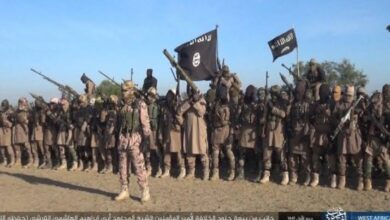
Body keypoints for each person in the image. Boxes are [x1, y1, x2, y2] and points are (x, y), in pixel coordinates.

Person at [115, 80, 151, 203]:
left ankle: (144, 190)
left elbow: (145, 124)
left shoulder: (140, 104)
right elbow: (118, 123)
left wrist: (146, 140)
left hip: (135, 139)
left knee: (139, 167)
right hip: (123, 139)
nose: (122, 92)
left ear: (131, 90)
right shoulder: (121, 105)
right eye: (122, 90)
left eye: (124, 90)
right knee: (122, 166)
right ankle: (124, 189)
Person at [333, 86, 364, 190]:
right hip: (342, 133)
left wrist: (356, 111)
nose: (347, 97)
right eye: (346, 95)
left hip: (354, 134)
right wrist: (340, 120)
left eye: (350, 95)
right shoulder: (339, 104)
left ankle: (360, 181)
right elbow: (333, 117)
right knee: (341, 157)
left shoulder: (357, 103)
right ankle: (342, 180)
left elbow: (362, 113)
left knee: (358, 158)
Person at [177, 85, 209, 180]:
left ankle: (206, 172)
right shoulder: (187, 101)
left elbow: (201, 112)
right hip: (189, 130)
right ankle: (191, 172)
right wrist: (183, 123)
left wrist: (196, 102)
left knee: (202, 151)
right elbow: (179, 112)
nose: (193, 93)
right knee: (190, 151)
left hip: (200, 130)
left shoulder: (202, 101)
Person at [260, 85, 290, 185]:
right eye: (272, 94)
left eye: (275, 94)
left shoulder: (282, 103)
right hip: (269, 129)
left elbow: (284, 114)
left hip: (279, 129)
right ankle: (266, 174)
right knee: (267, 152)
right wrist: (263, 127)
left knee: (280, 152)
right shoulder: (268, 103)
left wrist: (273, 109)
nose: (273, 96)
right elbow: (264, 117)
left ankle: (285, 174)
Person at [309, 84, 336, 187]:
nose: (322, 94)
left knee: (331, 157)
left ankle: (333, 177)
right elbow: (310, 119)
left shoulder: (333, 104)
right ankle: (315, 178)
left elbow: (337, 120)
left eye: (324, 92)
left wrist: (330, 114)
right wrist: (316, 112)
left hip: (329, 134)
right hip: (317, 133)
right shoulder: (315, 104)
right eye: (321, 92)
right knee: (315, 156)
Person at [363, 91, 390, 192]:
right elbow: (365, 120)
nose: (375, 104)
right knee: (368, 158)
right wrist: (367, 118)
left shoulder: (386, 111)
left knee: (385, 160)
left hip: (382, 139)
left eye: (377, 101)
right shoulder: (370, 109)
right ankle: (367, 180)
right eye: (373, 102)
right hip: (371, 137)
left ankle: (388, 181)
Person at [287, 81, 311, 185]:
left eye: (299, 92)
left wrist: (306, 133)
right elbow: (288, 117)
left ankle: (308, 176)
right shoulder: (292, 104)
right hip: (294, 132)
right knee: (292, 156)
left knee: (305, 157)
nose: (297, 94)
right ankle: (293, 176)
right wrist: (289, 128)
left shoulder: (308, 104)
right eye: (296, 92)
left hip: (304, 132)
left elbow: (309, 121)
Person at [210, 85, 235, 181]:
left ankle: (232, 171)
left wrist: (231, 134)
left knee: (228, 151)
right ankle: (215, 172)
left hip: (226, 130)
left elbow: (233, 121)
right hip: (216, 130)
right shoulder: (215, 104)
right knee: (215, 152)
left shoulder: (230, 105)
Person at [159, 89, 186, 179]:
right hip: (166, 130)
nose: (169, 96)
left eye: (171, 94)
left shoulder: (177, 105)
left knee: (178, 151)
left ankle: (182, 169)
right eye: (168, 94)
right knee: (167, 151)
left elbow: (181, 119)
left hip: (175, 131)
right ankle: (167, 170)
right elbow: (162, 120)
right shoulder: (164, 106)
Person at [236, 85, 258, 180]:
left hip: (254, 130)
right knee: (242, 153)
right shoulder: (243, 103)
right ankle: (241, 173)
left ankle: (257, 171)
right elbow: (238, 115)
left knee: (256, 153)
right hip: (245, 129)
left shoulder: (257, 104)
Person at [14, 97, 38, 168]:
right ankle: (18, 160)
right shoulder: (17, 110)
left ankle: (31, 160)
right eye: (20, 102)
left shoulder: (29, 111)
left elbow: (30, 120)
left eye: (23, 102)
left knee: (27, 146)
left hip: (26, 129)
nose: (22, 104)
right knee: (17, 146)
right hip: (18, 129)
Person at [55, 98, 78, 171]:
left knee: (70, 147)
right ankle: (63, 163)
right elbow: (56, 120)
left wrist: (72, 125)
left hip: (69, 131)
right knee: (61, 147)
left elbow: (76, 120)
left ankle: (75, 163)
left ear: (68, 103)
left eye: (64, 104)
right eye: (62, 104)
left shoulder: (72, 111)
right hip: (61, 130)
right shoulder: (60, 111)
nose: (63, 106)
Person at [0, 99, 15, 167]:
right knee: (1, 146)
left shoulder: (10, 112)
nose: (2, 106)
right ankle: (4, 160)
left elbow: (13, 122)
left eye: (4, 105)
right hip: (1, 129)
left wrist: (8, 123)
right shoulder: (1, 112)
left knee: (8, 146)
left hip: (7, 130)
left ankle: (12, 160)